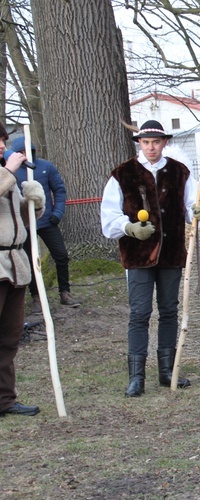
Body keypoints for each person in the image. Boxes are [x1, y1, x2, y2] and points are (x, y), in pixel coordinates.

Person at [100, 120, 200, 397]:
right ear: (139, 143)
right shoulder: (122, 174)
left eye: (157, 142)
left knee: (169, 311)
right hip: (138, 256)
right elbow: (109, 218)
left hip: (172, 254)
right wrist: (129, 228)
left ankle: (166, 371)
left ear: (164, 143)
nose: (151, 147)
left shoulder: (179, 172)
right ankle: (136, 377)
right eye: (146, 142)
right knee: (139, 314)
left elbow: (191, 210)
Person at [0, 123, 44, 416]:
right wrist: (9, 173)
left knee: (9, 337)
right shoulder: (6, 175)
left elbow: (21, 222)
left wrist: (35, 201)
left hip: (15, 265)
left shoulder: (9, 178)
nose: (3, 147)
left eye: (3, 141)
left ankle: (4, 400)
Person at [8, 138, 80, 312]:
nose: (25, 156)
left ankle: (65, 292)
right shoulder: (11, 171)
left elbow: (59, 191)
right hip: (25, 223)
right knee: (31, 260)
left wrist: (57, 213)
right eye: (22, 153)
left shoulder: (46, 167)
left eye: (28, 152)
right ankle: (36, 297)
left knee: (61, 255)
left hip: (47, 221)